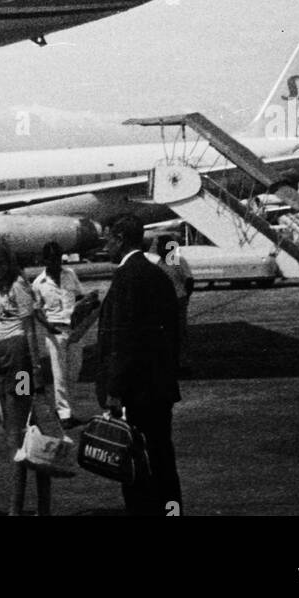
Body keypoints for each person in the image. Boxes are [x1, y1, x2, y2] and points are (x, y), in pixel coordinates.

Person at [97, 213, 182, 517]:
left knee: (133, 465)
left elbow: (124, 339)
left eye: (107, 238)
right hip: (160, 386)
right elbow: (174, 330)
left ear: (120, 239)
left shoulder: (125, 277)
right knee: (162, 460)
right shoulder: (157, 274)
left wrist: (114, 390)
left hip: (137, 392)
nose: (104, 244)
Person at [0, 242, 52, 517]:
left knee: (19, 432)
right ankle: (27, 506)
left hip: (21, 363)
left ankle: (17, 508)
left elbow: (29, 330)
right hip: (4, 363)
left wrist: (35, 370)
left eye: (1, 263)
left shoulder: (18, 286)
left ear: (9, 264)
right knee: (17, 431)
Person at [32, 240, 97, 428]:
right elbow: (37, 310)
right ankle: (64, 413)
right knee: (59, 373)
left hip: (75, 329)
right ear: (44, 260)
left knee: (74, 371)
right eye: (51, 260)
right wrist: (47, 325)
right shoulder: (39, 283)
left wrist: (89, 301)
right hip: (55, 331)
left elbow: (79, 297)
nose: (56, 263)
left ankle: (69, 408)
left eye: (58, 259)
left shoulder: (70, 275)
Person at [146, 235, 194, 367]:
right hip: (163, 302)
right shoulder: (158, 263)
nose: (157, 249)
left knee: (180, 332)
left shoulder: (178, 261)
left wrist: (185, 298)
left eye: (160, 246)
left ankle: (183, 362)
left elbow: (189, 280)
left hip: (178, 300)